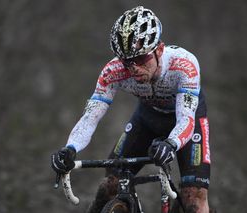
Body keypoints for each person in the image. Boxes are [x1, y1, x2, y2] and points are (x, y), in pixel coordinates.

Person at [51, 6, 211, 213]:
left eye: (141, 58)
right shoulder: (114, 71)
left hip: (187, 122)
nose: (134, 67)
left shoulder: (184, 65)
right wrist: (69, 148)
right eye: (127, 61)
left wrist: (171, 143)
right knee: (111, 184)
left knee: (194, 198)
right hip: (147, 118)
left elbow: (186, 119)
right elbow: (90, 117)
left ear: (159, 50)